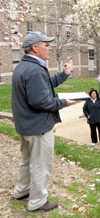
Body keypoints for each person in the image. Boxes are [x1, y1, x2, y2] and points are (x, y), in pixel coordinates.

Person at [11, 31, 74, 212]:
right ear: (35, 48)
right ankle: (37, 201)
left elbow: (43, 86)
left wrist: (64, 74)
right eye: (46, 45)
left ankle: (22, 191)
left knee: (27, 160)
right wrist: (64, 102)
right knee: (41, 164)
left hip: (26, 126)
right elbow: (41, 101)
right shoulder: (34, 70)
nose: (49, 48)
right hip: (38, 128)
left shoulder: (24, 67)